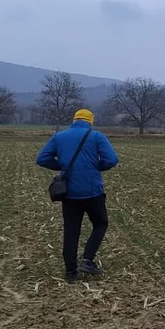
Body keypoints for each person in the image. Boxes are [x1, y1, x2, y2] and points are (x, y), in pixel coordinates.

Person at [36, 108, 120, 281]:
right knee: (100, 223)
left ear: (74, 120)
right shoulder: (96, 136)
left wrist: (62, 167)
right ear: (90, 122)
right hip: (93, 192)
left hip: (70, 194)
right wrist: (96, 167)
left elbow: (42, 159)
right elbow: (111, 160)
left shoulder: (59, 137)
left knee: (71, 230)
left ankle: (70, 272)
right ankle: (88, 260)